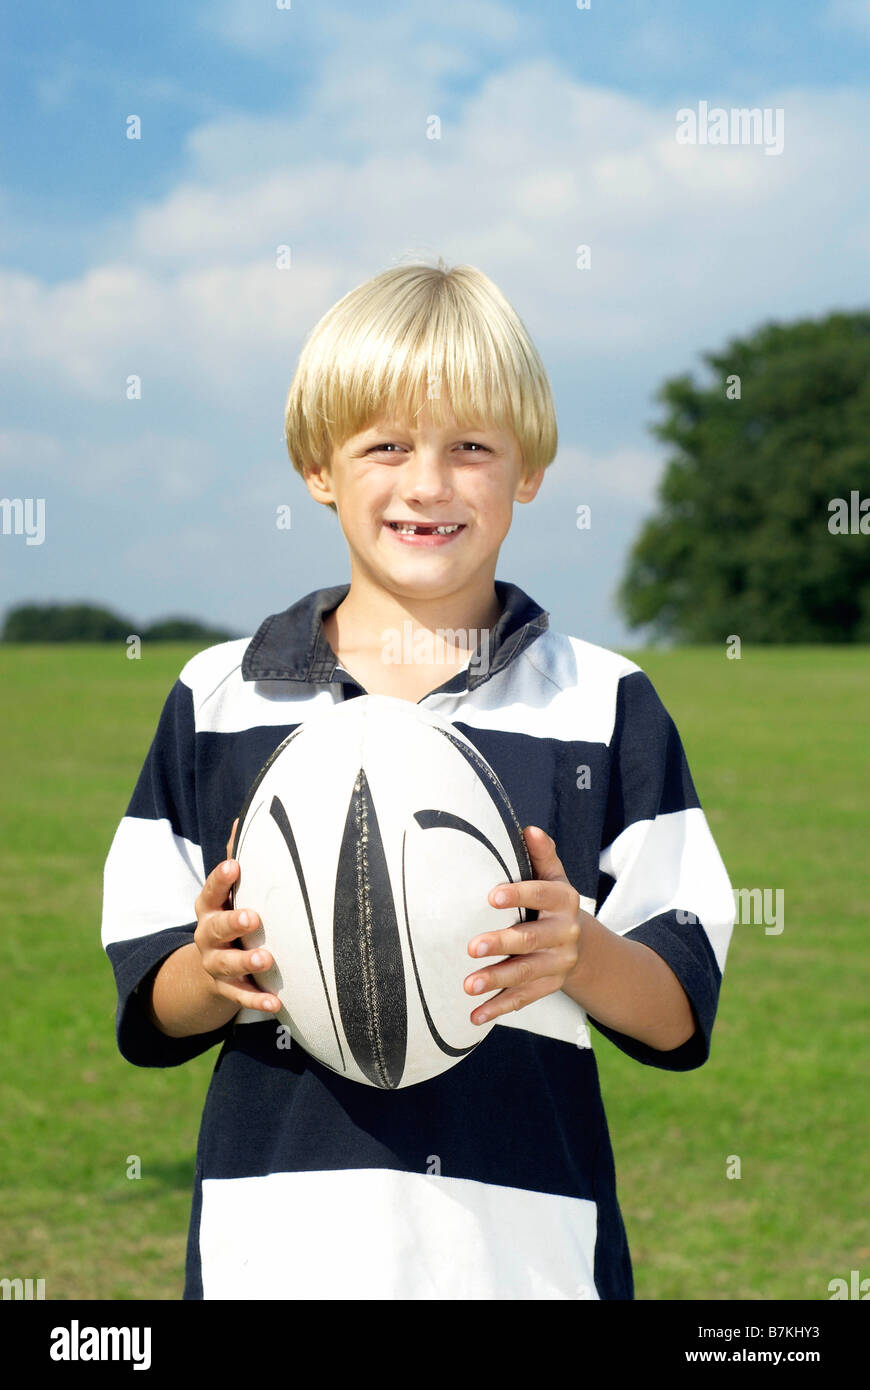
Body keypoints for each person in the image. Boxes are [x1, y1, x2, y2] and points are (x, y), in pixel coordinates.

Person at [101, 258, 735, 1300]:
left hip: (525, 1258)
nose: (429, 482)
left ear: (528, 470)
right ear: (319, 464)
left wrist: (578, 951)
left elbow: (675, 1009)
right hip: (279, 1255)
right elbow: (150, 995)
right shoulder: (217, 698)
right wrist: (208, 972)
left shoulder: (604, 703)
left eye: (472, 447)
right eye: (385, 444)